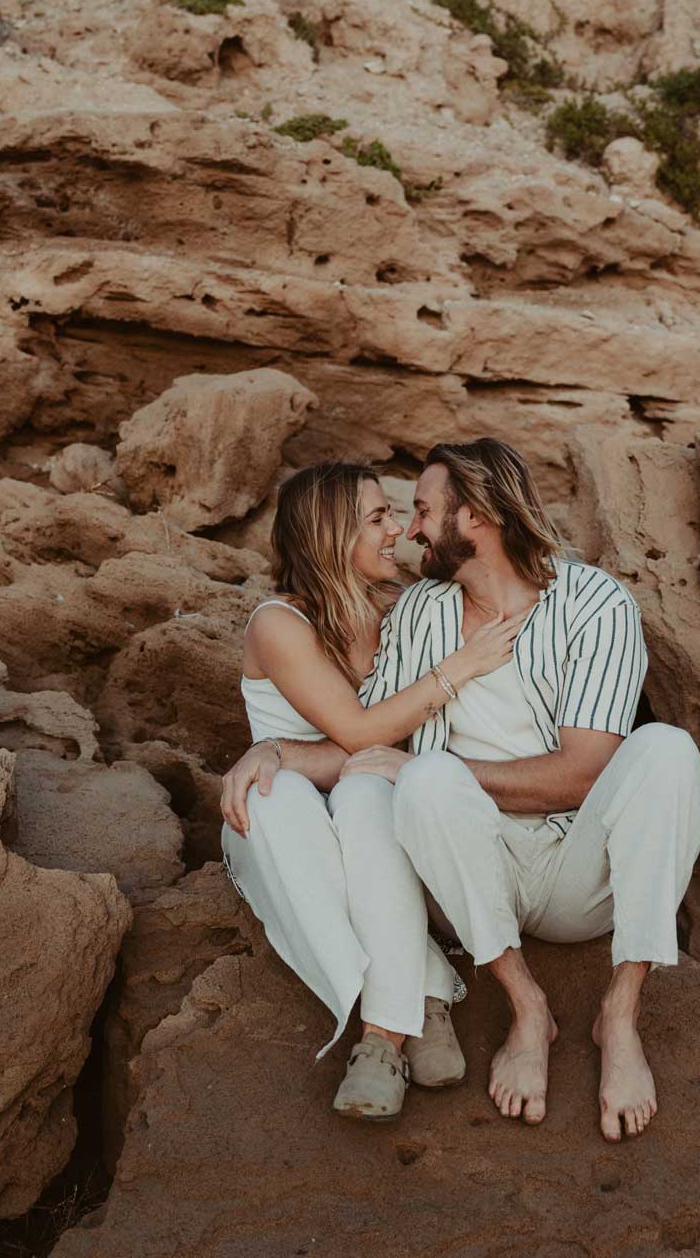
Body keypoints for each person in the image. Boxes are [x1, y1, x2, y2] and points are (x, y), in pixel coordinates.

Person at [354, 438, 700, 1142]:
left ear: (477, 516)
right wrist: (272, 753)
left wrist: (449, 773)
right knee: (425, 777)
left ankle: (620, 1014)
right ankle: (526, 1007)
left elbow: (584, 772)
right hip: (470, 876)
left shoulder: (594, 602)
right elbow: (368, 734)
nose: (413, 530)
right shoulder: (419, 611)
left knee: (667, 748)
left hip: (579, 871)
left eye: (423, 511)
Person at [219, 461, 524, 1121]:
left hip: (371, 802)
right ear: (331, 534)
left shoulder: (402, 605)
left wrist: (287, 749)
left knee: (367, 793)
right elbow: (361, 733)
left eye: (396, 514)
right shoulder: (279, 623)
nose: (398, 531)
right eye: (379, 517)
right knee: (272, 798)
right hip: (291, 818)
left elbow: (394, 748)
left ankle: (382, 1038)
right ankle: (427, 991)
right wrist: (459, 668)